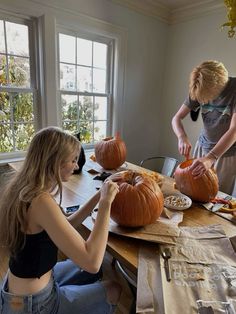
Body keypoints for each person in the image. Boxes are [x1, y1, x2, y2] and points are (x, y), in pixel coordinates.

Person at [0, 126, 121, 314]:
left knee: (92, 273)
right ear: (55, 162)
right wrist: (105, 203)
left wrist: (99, 194)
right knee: (113, 288)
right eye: (72, 160)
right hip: (34, 305)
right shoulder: (41, 201)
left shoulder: (24, 188)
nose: (77, 166)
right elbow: (92, 260)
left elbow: (66, 225)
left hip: (20, 290)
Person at [172, 60, 236, 195]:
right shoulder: (200, 87)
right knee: (194, 193)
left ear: (219, 85)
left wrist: (211, 157)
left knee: (216, 198)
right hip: (202, 147)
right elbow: (176, 118)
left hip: (226, 153)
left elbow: (234, 130)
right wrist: (181, 137)